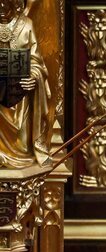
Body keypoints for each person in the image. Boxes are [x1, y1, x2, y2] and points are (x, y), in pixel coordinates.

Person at [0, 0, 51, 168]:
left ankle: (22, 152)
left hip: (20, 95)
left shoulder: (26, 25)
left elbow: (37, 63)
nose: (1, 8)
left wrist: (34, 77)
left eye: (5, 3)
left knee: (21, 142)